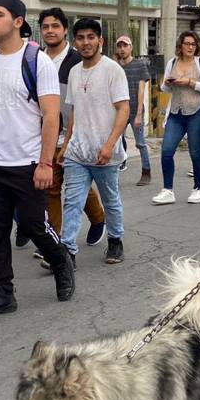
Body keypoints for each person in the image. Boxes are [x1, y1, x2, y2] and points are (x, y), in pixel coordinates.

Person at [0, 0, 74, 319]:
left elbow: (52, 116)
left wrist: (45, 163)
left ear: (18, 21)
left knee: (34, 225)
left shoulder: (36, 61)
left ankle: (60, 258)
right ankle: (2, 293)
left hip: (28, 165)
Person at [59, 19, 128, 265]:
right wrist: (67, 143)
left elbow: (123, 109)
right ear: (74, 42)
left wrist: (109, 145)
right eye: (81, 38)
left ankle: (115, 240)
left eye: (91, 37)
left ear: (101, 40)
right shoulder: (74, 71)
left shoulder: (113, 70)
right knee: (72, 201)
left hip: (104, 151)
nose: (86, 42)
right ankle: (67, 250)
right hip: (78, 151)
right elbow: (75, 110)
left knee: (110, 200)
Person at [37, 7, 105, 255]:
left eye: (55, 26)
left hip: (75, 133)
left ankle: (98, 219)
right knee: (51, 188)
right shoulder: (36, 59)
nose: (50, 30)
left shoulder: (78, 61)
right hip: (46, 133)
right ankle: (54, 241)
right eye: (45, 26)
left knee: (78, 187)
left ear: (65, 30)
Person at [152, 31, 200, 205]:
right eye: (187, 43)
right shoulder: (172, 62)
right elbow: (165, 89)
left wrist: (189, 82)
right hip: (176, 112)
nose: (190, 47)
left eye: (193, 44)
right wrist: (168, 82)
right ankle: (167, 190)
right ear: (180, 45)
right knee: (166, 150)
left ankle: (197, 189)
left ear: (197, 46)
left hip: (197, 112)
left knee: (196, 152)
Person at [113, 34, 152, 185]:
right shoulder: (115, 66)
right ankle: (114, 174)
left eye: (125, 46)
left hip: (135, 109)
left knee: (140, 143)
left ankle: (146, 171)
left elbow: (141, 90)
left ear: (131, 47)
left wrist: (139, 115)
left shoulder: (139, 65)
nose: (122, 49)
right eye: (119, 46)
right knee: (116, 141)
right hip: (119, 111)